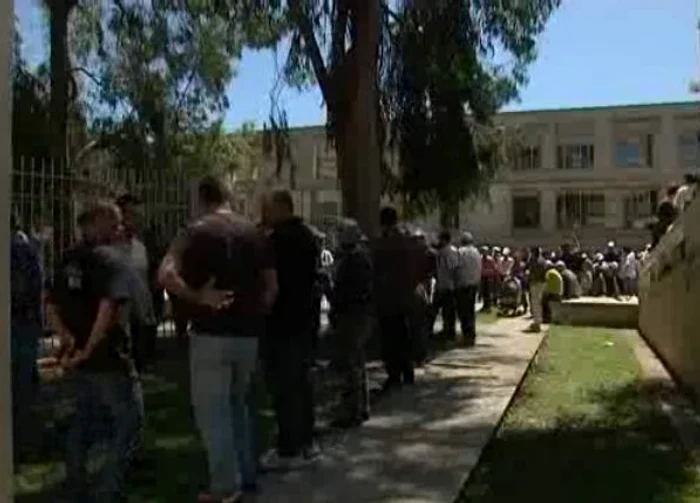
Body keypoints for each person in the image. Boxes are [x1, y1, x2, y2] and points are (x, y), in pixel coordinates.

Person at [158, 176, 278, 502]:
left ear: (202, 198)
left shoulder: (193, 232)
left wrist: (198, 297)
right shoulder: (254, 233)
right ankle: (247, 474)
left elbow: (165, 274)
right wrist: (256, 312)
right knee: (238, 405)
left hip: (211, 334)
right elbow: (271, 286)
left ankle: (225, 485)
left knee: (214, 414)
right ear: (228, 197)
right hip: (247, 336)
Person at [47, 201, 143, 502]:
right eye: (114, 223)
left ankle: (76, 483)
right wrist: (88, 348)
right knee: (129, 421)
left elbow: (49, 304)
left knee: (82, 422)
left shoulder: (67, 259)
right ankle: (107, 488)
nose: (120, 229)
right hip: (109, 357)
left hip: (79, 358)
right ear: (97, 223)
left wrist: (67, 339)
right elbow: (108, 307)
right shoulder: (110, 261)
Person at [262, 188, 321, 469]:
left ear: (282, 208)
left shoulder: (275, 240)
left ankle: (288, 445)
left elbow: (270, 282)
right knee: (302, 381)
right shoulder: (310, 237)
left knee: (283, 385)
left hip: (280, 321)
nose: (266, 212)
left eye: (269, 207)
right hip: (305, 319)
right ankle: (308, 440)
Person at [329, 218, 373, 428]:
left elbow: (342, 292)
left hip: (351, 316)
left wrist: (328, 289)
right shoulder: (361, 258)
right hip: (360, 315)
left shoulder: (351, 261)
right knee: (358, 363)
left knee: (351, 365)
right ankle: (362, 407)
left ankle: (352, 410)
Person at [10, 213, 43, 466]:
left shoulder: (19, 249)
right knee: (23, 389)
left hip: (19, 322)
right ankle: (24, 445)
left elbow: (24, 288)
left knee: (20, 388)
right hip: (24, 323)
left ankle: (21, 445)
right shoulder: (26, 248)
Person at [373, 207, 415, 391]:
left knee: (390, 339)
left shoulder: (383, 243)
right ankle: (407, 372)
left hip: (388, 298)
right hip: (404, 296)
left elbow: (377, 270)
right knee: (404, 336)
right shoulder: (406, 241)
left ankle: (394, 374)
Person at [116, 194, 157, 374]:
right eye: (131, 214)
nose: (137, 219)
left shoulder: (141, 246)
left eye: (138, 215)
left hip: (139, 312)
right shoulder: (109, 246)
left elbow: (145, 278)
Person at [430, 230, 459, 338]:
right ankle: (442, 331)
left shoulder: (450, 252)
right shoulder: (442, 252)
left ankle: (449, 332)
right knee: (437, 310)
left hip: (448, 285)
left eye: (440, 239)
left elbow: (453, 268)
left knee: (447, 311)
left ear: (444, 240)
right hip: (441, 284)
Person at [455, 232, 481, 346]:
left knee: (463, 311)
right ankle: (471, 334)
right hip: (473, 284)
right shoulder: (476, 252)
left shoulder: (460, 252)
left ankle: (466, 335)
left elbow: (456, 267)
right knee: (470, 310)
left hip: (462, 285)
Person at [525, 247, 547, 332]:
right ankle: (537, 321)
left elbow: (534, 273)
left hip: (536, 283)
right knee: (538, 302)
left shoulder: (536, 261)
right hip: (541, 283)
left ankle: (537, 323)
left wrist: (529, 277)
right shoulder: (542, 260)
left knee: (535, 303)